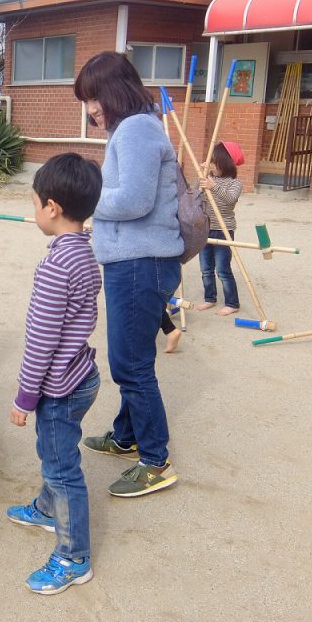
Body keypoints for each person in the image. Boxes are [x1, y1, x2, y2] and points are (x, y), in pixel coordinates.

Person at [73, 51, 183, 497]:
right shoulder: (133, 127)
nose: (91, 109)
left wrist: (82, 200)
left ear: (114, 92)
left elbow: (134, 201)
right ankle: (127, 436)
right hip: (135, 261)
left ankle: (155, 461)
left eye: (93, 98)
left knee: (130, 365)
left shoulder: (137, 128)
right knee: (132, 357)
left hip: (141, 264)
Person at [6, 153, 103, 595]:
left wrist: (25, 397)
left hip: (60, 387)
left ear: (52, 207)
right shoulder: (83, 252)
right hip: (80, 374)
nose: (34, 212)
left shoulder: (56, 267)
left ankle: (73, 556)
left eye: (34, 204)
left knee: (62, 467)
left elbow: (41, 341)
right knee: (53, 450)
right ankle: (47, 509)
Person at [194, 141, 244, 316]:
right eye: (211, 162)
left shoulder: (235, 183)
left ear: (225, 163)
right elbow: (194, 194)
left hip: (223, 230)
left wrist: (213, 186)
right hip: (205, 229)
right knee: (205, 268)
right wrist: (202, 176)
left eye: (214, 163)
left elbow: (230, 200)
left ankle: (232, 303)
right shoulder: (209, 179)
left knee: (222, 269)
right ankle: (210, 298)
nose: (212, 166)